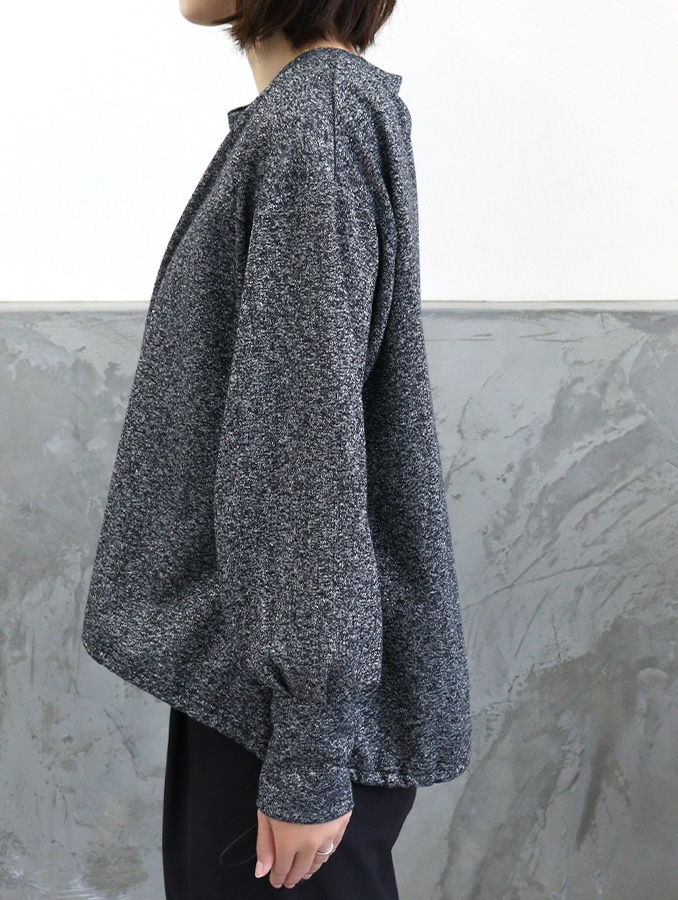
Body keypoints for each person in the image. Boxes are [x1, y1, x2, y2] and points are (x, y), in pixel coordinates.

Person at [80, 1, 472, 897]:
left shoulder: (314, 124)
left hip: (278, 721)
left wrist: (308, 750)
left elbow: (306, 456)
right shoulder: (315, 115)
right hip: (260, 688)